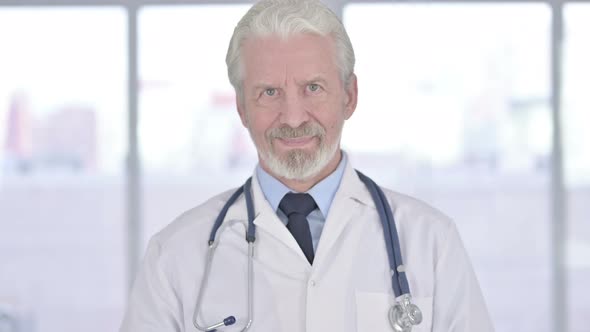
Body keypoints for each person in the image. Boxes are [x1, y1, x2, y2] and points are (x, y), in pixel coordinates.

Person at [120, 0, 494, 331]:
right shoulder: (176, 256)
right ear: (241, 108)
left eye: (313, 88)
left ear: (349, 96)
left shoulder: (431, 243)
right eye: (269, 92)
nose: (294, 117)